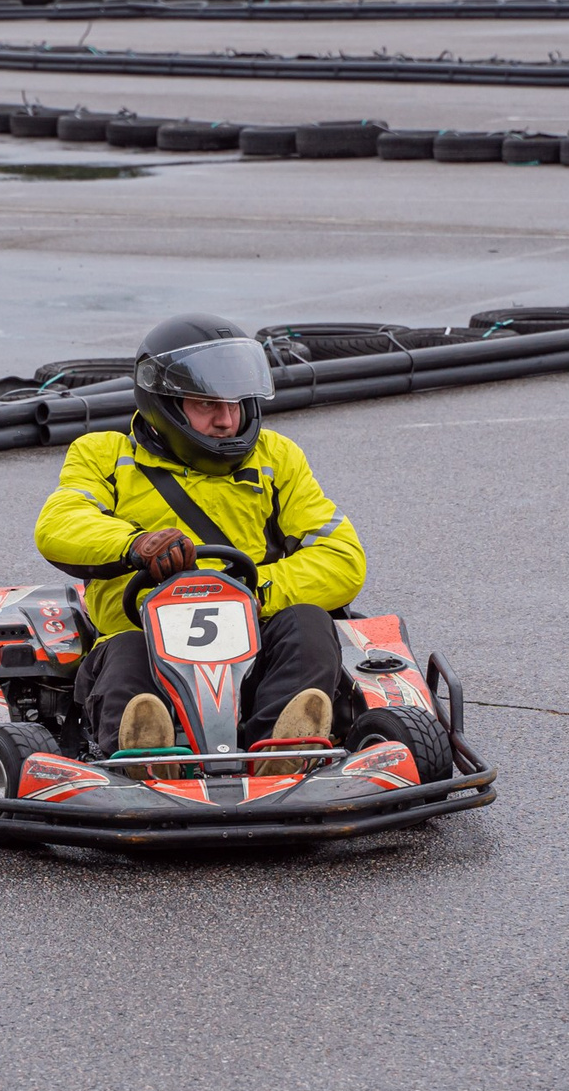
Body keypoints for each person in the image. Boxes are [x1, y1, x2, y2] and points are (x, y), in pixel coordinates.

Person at [35, 314, 365, 763]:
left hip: (256, 642)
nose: (227, 421)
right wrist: (134, 545)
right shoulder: (104, 455)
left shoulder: (277, 457)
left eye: (235, 404)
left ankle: (283, 748)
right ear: (164, 404)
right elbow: (60, 523)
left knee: (309, 623)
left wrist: (247, 595)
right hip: (144, 639)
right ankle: (148, 755)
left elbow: (341, 556)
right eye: (207, 405)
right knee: (125, 650)